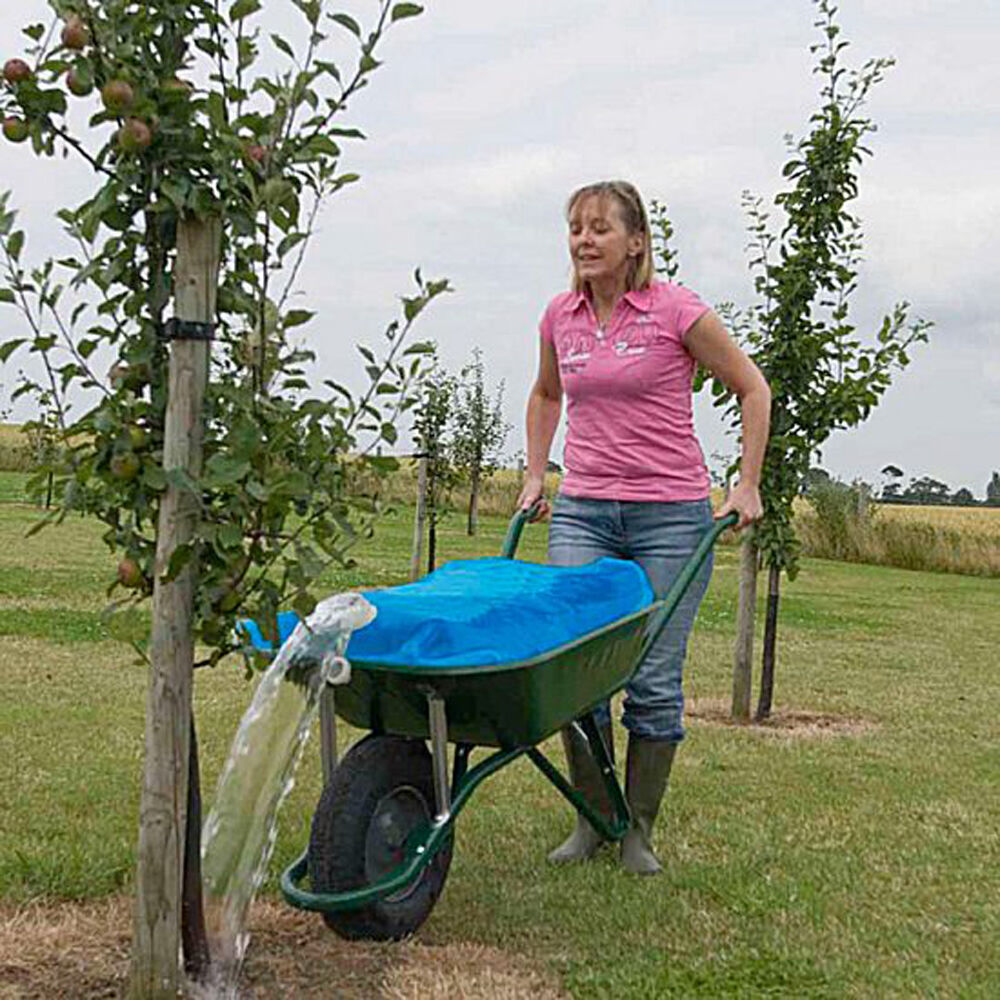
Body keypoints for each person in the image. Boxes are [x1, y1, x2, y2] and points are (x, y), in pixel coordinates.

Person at [516, 180, 770, 875]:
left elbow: (753, 387)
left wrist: (746, 482)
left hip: (670, 519)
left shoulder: (676, 310)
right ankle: (593, 819)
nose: (584, 240)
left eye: (600, 228)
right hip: (584, 511)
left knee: (653, 676)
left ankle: (639, 832)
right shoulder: (559, 316)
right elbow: (546, 393)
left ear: (636, 242)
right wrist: (537, 474)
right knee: (577, 669)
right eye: (576, 227)